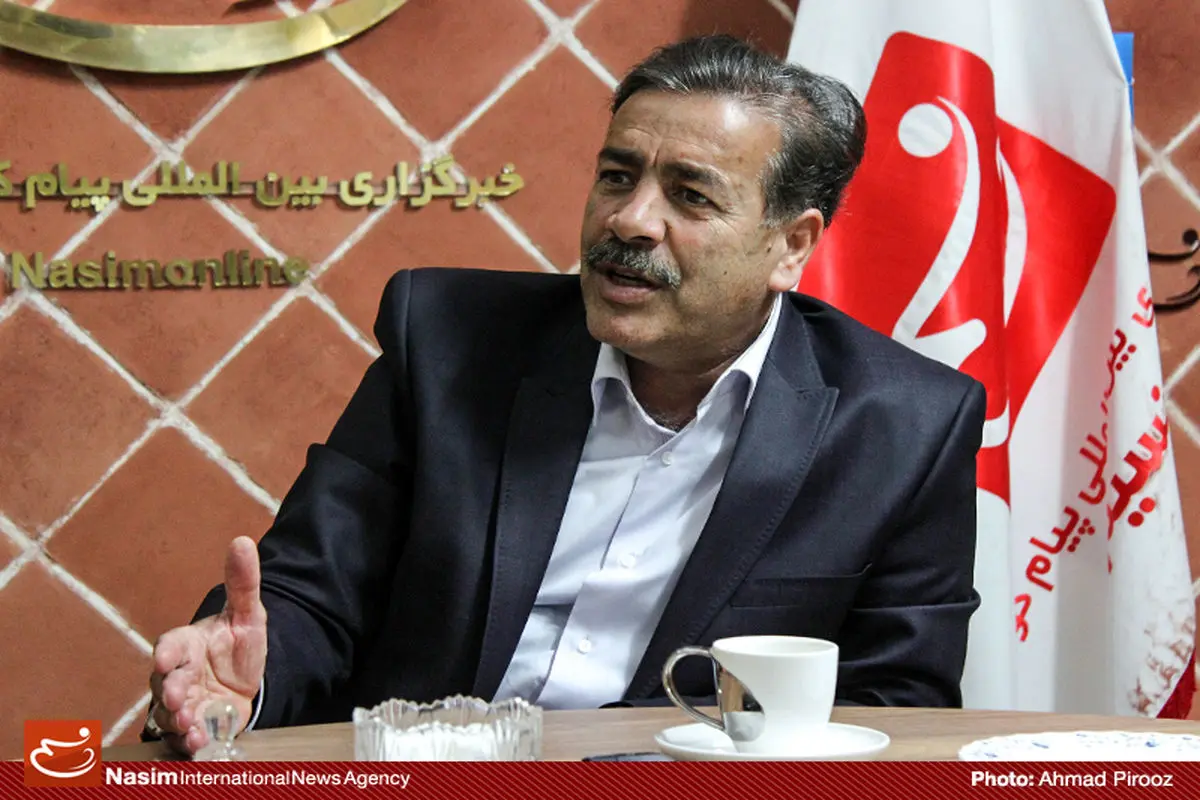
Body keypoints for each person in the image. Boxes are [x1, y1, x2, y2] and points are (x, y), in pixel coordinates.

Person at [145, 33, 986, 755]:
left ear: (791, 246)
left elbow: (894, 709)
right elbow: (311, 592)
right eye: (618, 177)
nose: (630, 220)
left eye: (691, 195)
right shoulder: (447, 341)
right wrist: (249, 675)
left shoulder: (905, 426)